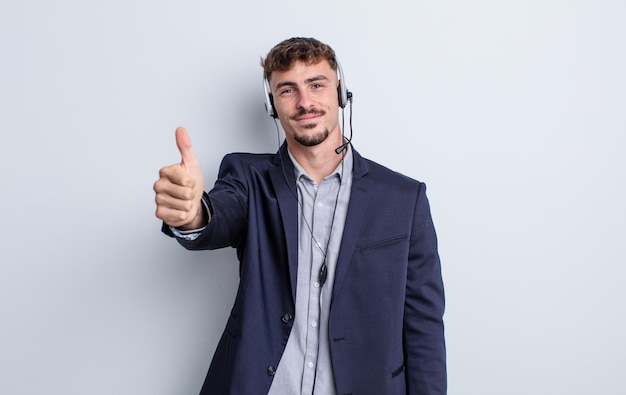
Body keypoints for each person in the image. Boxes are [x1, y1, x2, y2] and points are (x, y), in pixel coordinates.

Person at [153, 37, 446, 395]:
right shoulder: (248, 178)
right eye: (287, 90)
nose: (305, 102)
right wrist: (191, 212)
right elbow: (219, 215)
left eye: (316, 85)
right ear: (271, 103)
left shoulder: (404, 198)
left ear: (340, 92)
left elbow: (423, 327)